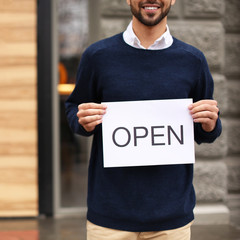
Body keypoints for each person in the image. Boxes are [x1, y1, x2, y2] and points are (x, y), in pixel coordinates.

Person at [65, 0, 222, 239]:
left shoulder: (193, 60)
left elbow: (204, 129)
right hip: (109, 218)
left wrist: (210, 123)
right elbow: (74, 108)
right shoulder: (98, 56)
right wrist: (82, 120)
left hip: (171, 219)